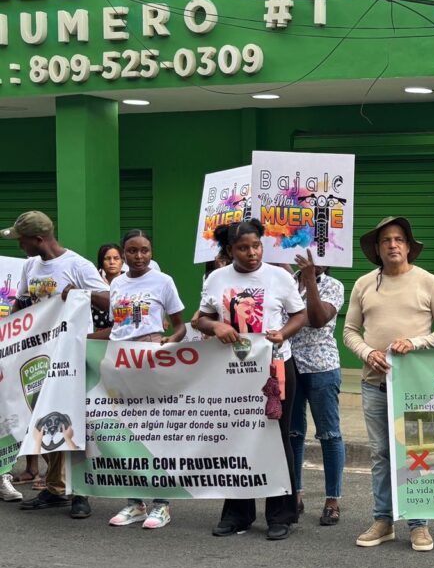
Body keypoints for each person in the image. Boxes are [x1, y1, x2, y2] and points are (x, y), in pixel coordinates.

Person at [343, 217, 434, 552]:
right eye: (385, 241)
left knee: (414, 454)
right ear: (377, 250)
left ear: (408, 246)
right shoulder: (364, 284)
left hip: (414, 385)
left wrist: (415, 342)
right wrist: (366, 353)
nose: (392, 245)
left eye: (398, 239)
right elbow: (349, 331)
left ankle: (419, 523)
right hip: (373, 382)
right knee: (380, 454)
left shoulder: (428, 282)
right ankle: (383, 520)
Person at [195, 221, 307, 541]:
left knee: (276, 437)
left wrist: (282, 333)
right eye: (243, 248)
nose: (252, 253)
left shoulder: (279, 277)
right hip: (232, 373)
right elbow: (201, 318)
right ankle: (237, 514)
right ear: (230, 251)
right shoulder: (217, 278)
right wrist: (215, 328)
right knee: (237, 437)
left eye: (256, 245)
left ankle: (281, 514)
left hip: (275, 370)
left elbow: (299, 315)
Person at [1, 210, 109, 517]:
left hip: (70, 355)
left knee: (72, 421)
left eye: (22, 240)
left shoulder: (77, 265)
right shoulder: (32, 265)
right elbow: (22, 305)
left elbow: (113, 302)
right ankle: (55, 487)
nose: (19, 245)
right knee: (46, 421)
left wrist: (81, 294)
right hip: (37, 357)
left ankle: (81, 494)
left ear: (38, 239)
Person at [104, 230, 186, 530]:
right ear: (124, 254)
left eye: (145, 250)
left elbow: (180, 326)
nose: (139, 256)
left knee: (155, 433)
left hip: (151, 362)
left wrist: (168, 341)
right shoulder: (117, 283)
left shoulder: (163, 282)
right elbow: (118, 326)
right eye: (132, 251)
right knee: (127, 435)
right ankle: (134, 502)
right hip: (119, 364)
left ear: (152, 252)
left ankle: (162, 504)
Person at [289, 248, 346, 526]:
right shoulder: (286, 281)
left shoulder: (334, 285)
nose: (313, 259)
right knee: (293, 433)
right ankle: (295, 495)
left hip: (321, 367)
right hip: (289, 365)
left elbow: (317, 318)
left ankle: (332, 500)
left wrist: (311, 280)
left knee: (329, 434)